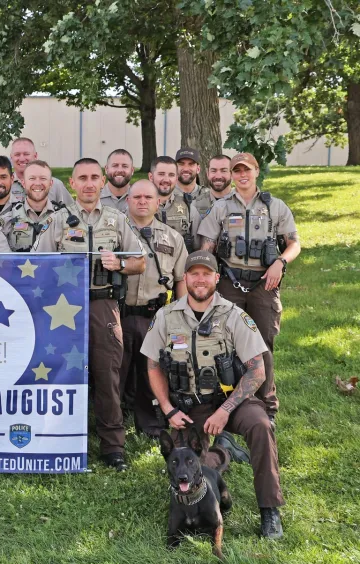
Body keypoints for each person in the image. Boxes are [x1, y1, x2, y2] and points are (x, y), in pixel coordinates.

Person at [141, 250, 285, 539]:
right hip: (189, 404)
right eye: (194, 273)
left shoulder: (234, 315)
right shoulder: (167, 317)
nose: (200, 279)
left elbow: (257, 371)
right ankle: (222, 452)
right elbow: (153, 365)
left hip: (232, 401)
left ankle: (270, 510)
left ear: (217, 278)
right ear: (185, 278)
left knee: (261, 426)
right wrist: (168, 408)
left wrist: (225, 411)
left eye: (206, 273)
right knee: (193, 467)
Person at [31, 158, 146, 471]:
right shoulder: (58, 221)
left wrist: (120, 265)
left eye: (95, 177)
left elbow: (140, 261)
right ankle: (57, 438)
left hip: (103, 305)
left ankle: (113, 448)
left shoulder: (116, 219)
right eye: (82, 178)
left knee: (108, 374)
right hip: (62, 309)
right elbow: (34, 264)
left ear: (103, 180)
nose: (89, 183)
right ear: (72, 183)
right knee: (58, 374)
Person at [198, 153, 301, 423]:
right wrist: (208, 275)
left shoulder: (275, 207)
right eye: (237, 170)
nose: (242, 175)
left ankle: (267, 406)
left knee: (263, 345)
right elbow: (207, 247)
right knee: (225, 344)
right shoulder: (220, 208)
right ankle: (227, 400)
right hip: (230, 283)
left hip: (265, 283)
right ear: (232, 175)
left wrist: (280, 262)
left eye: (247, 170)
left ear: (257, 171)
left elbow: (294, 244)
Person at [119, 180, 187, 437]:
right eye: (136, 197)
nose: (142, 201)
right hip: (120, 313)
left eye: (148, 197)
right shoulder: (115, 232)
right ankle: (115, 421)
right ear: (128, 200)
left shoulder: (173, 238)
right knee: (117, 371)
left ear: (158, 202)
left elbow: (180, 278)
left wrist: (180, 315)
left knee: (151, 372)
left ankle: (149, 425)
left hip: (155, 316)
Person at [0, 160, 65, 252]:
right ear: (23, 183)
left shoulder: (63, 218)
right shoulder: (8, 218)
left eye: (43, 178)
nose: (37, 183)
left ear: (51, 183)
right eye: (32, 178)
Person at [150, 155, 202, 252]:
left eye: (171, 175)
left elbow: (198, 247)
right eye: (161, 174)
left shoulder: (188, 208)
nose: (166, 179)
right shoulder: (140, 205)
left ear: (177, 178)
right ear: (151, 177)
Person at [8, 137, 74, 205]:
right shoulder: (5, 185)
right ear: (11, 157)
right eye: (17, 154)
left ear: (35, 156)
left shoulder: (56, 185)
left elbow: (71, 211)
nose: (22, 159)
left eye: (26, 154)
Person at [174, 147, 214, 216]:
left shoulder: (210, 196)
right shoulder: (167, 196)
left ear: (198, 169)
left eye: (191, 164)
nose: (186, 169)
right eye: (181, 164)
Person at [99, 149, 135, 213]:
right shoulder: (95, 198)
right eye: (115, 165)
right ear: (106, 169)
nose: (119, 170)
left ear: (132, 170)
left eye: (125, 166)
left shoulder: (141, 199)